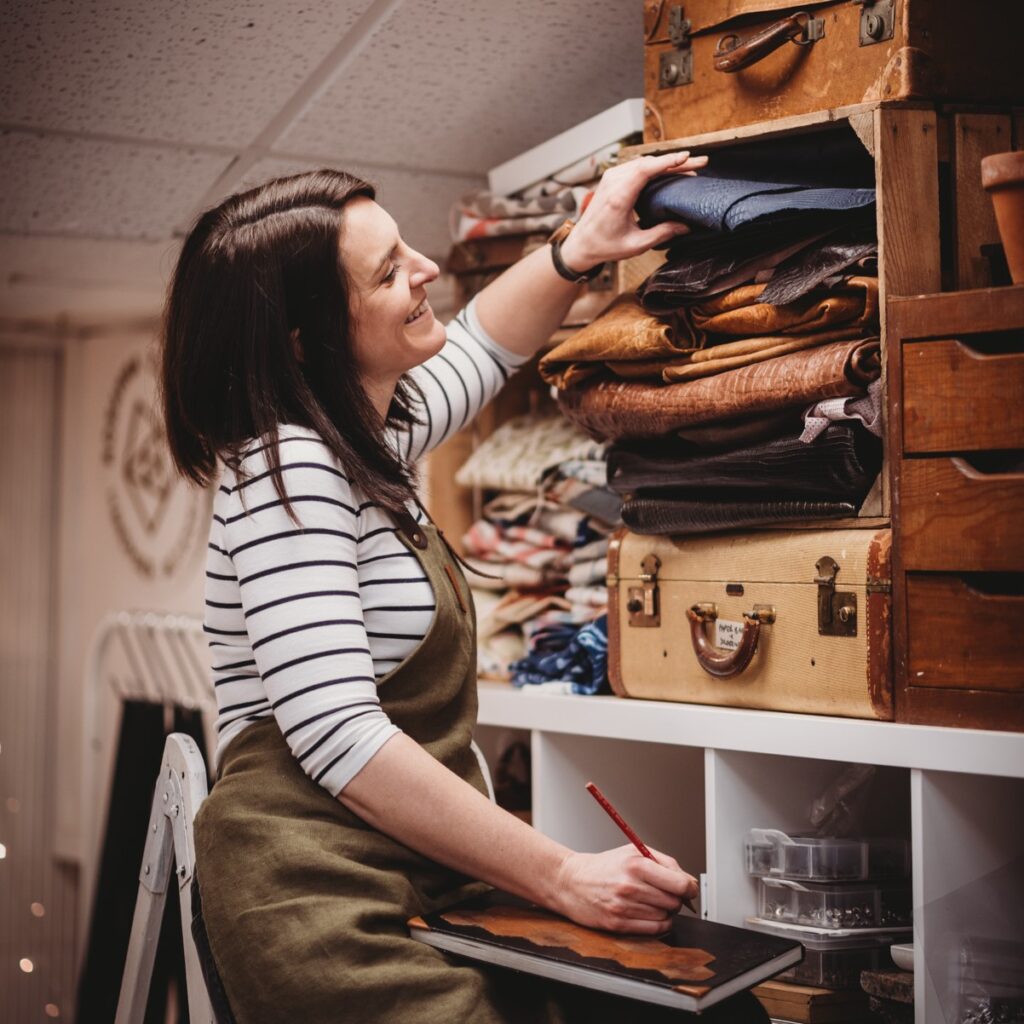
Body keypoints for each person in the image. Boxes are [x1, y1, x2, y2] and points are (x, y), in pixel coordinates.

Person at [162, 153, 769, 1023]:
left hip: (408, 864)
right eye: (388, 271)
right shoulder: (283, 465)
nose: (428, 269)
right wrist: (565, 873)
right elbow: (339, 736)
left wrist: (581, 247)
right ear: (309, 341)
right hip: (310, 884)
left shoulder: (367, 437)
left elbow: (487, 339)